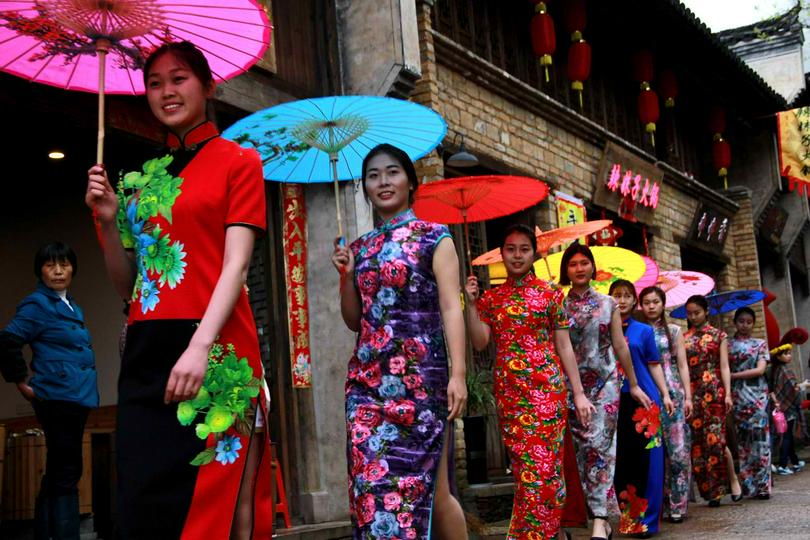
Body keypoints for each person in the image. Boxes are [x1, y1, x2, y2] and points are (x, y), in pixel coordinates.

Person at [85, 41, 271, 539]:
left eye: (179, 78)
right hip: (146, 349)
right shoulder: (136, 182)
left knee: (215, 502)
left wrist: (199, 346)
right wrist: (107, 223)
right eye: (154, 82)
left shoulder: (240, 162)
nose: (166, 91)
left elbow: (237, 265)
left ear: (209, 85)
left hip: (215, 346)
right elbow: (131, 283)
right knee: (144, 501)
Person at [330, 143, 468, 539]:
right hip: (366, 386)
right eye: (373, 175)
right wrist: (346, 276)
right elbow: (354, 320)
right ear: (365, 187)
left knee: (432, 491)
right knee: (370, 487)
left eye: (392, 172)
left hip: (422, 381)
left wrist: (457, 375)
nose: (383, 181)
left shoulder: (434, 238)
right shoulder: (359, 249)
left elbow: (450, 307)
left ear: (411, 182)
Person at [464, 224, 594, 540]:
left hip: (548, 390)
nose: (518, 255)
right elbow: (480, 342)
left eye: (524, 248)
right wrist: (470, 303)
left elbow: (564, 345)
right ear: (502, 254)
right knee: (526, 471)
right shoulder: (492, 298)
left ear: (534, 252)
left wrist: (578, 393)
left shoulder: (551, 294)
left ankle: (541, 534)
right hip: (511, 393)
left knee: (547, 470)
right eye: (511, 248)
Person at [0, 241, 98, 540]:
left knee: (60, 469)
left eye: (64, 264)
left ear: (73, 269)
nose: (58, 271)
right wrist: (21, 382)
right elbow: (7, 341)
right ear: (39, 270)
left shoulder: (72, 305)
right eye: (50, 264)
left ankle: (46, 534)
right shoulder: (37, 304)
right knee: (67, 470)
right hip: (57, 396)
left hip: (76, 396)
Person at [559, 243, 652, 540]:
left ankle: (600, 517)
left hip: (606, 386)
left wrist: (634, 384)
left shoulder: (607, 303)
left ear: (592, 267)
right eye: (573, 264)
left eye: (584, 262)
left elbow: (620, 345)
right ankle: (597, 513)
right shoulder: (557, 305)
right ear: (566, 271)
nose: (579, 268)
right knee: (581, 452)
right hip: (571, 387)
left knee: (600, 448)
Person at [609, 280, 671, 538]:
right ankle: (630, 520)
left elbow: (654, 364)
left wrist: (665, 393)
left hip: (644, 401)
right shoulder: (603, 330)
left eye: (627, 296)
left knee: (650, 461)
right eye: (617, 296)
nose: (622, 300)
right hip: (613, 400)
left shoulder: (644, 331)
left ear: (635, 301)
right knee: (622, 461)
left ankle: (649, 522)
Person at [638, 286, 692, 523]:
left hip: (674, 394)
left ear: (663, 304)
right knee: (654, 452)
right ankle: (657, 506)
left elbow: (682, 365)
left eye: (655, 302)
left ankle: (678, 504)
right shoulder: (637, 331)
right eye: (646, 302)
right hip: (647, 396)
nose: (651, 306)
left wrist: (688, 396)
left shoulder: (674, 330)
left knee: (678, 452)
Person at [683, 294, 739, 507]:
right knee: (698, 444)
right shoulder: (684, 338)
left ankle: (732, 480)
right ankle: (711, 492)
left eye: (697, 312)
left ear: (706, 311)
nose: (693, 317)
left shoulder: (718, 335)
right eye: (689, 314)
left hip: (714, 391)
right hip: (693, 392)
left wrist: (728, 393)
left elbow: (724, 366)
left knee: (716, 440)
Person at [728, 307, 772, 498]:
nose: (745, 325)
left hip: (757, 398)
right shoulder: (727, 344)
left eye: (749, 322)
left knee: (761, 442)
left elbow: (760, 370)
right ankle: (748, 486)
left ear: (753, 324)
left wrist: (733, 375)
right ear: (735, 322)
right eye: (741, 321)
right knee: (743, 443)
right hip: (737, 398)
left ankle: (763, 486)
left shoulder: (760, 344)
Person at [768, 343, 810, 475]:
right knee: (786, 437)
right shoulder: (785, 370)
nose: (789, 355)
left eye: (789, 353)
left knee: (788, 436)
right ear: (779, 357)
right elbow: (794, 388)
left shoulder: (775, 369)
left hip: (781, 407)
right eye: (786, 353)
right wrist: (805, 384)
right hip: (787, 409)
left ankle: (796, 462)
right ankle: (782, 465)